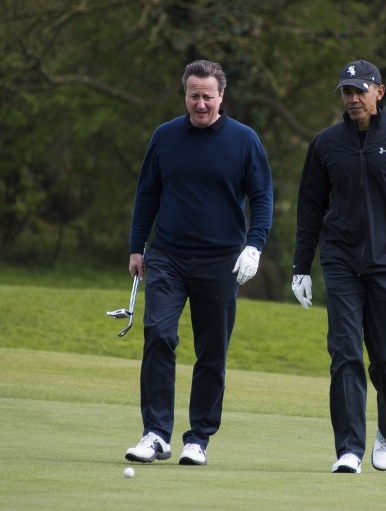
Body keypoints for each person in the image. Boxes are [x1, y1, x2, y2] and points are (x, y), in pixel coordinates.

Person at [124, 59, 273, 466]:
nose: (201, 104)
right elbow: (147, 194)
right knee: (158, 335)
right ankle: (155, 433)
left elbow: (262, 197)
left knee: (212, 352)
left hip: (221, 261)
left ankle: (198, 438)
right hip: (167, 256)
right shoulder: (165, 136)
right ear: (185, 94)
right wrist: (137, 247)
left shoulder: (244, 140)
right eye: (194, 95)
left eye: (208, 96)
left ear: (222, 96)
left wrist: (254, 245)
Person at [291, 60, 386, 474]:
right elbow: (310, 207)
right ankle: (349, 448)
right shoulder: (325, 144)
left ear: (379, 92)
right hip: (340, 262)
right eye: (346, 92)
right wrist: (302, 265)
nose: (352, 98)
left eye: (359, 90)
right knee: (344, 352)